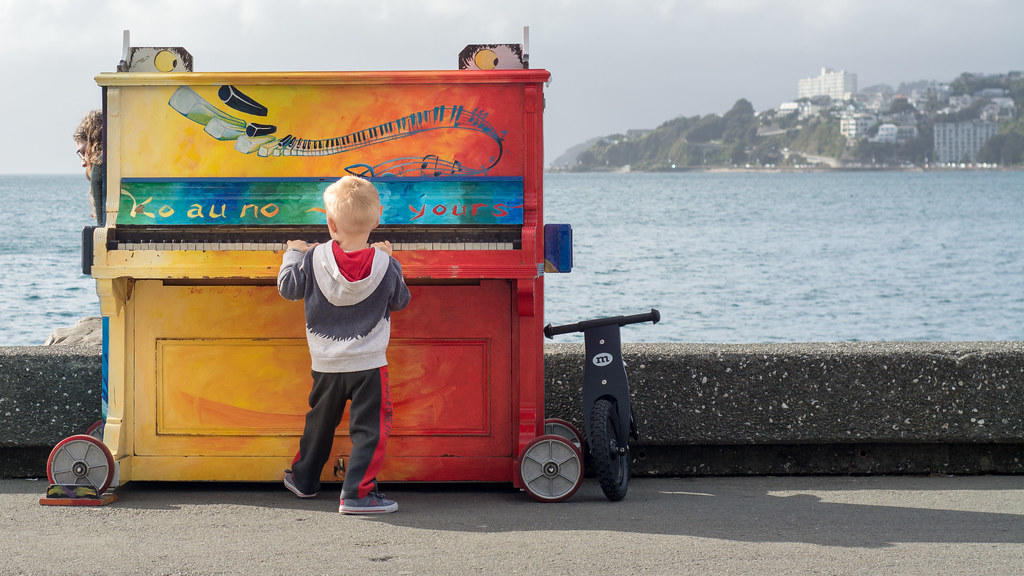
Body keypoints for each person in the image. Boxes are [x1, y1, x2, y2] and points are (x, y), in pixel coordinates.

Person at [277, 175, 411, 514]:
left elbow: (288, 287)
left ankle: (304, 480)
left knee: (320, 424)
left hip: (326, 364)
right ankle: (357, 494)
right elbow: (401, 300)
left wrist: (292, 253)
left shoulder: (313, 258)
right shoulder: (385, 264)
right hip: (369, 365)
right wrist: (391, 260)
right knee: (370, 430)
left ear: (331, 223)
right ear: (377, 219)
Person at [73, 110, 106, 225]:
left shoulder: (100, 166)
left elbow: (103, 226)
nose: (83, 163)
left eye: (83, 152)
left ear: (92, 142)